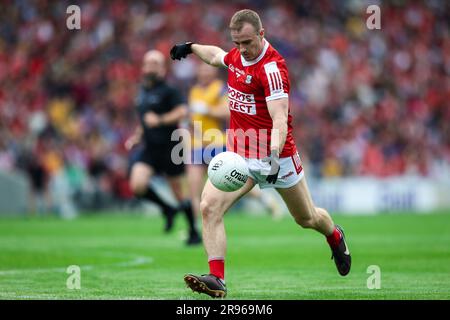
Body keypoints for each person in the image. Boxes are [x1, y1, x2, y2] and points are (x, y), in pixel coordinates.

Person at [170, 9, 351, 297]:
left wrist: (273, 156)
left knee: (306, 218)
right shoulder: (237, 56)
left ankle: (334, 235)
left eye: (246, 43)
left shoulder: (272, 69)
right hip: (241, 155)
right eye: (237, 43)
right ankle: (217, 279)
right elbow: (216, 55)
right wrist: (191, 47)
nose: (241, 49)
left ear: (262, 34)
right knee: (208, 207)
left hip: (276, 156)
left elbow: (280, 119)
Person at [188, 63, 283, 220]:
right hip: (196, 144)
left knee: (233, 181)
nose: (204, 73)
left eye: (207, 70)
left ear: (214, 73)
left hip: (217, 143)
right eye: (202, 70)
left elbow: (227, 111)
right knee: (193, 187)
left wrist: (207, 109)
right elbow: (193, 117)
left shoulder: (220, 89)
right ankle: (194, 230)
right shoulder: (194, 91)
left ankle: (265, 200)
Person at [125, 50, 201, 246]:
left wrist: (159, 120)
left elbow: (183, 111)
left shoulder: (170, 90)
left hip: (170, 146)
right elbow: (144, 121)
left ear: (162, 68)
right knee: (137, 185)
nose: (150, 66)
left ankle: (193, 232)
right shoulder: (142, 92)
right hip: (150, 148)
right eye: (147, 63)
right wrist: (137, 136)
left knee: (179, 193)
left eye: (154, 63)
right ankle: (167, 209)